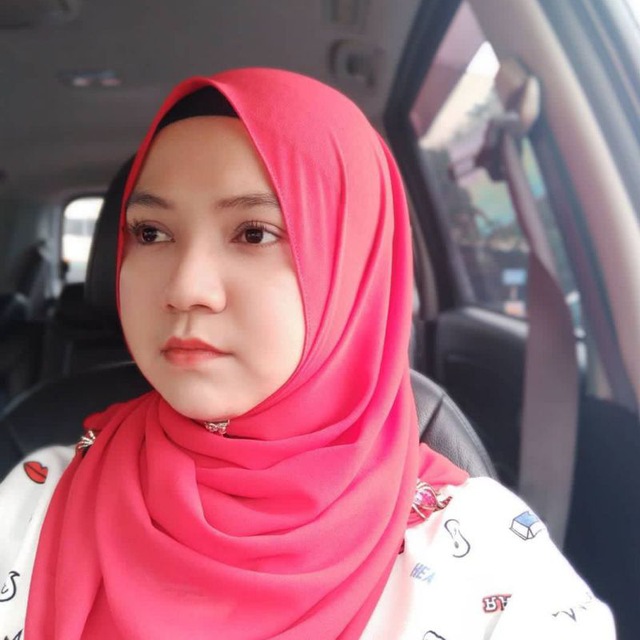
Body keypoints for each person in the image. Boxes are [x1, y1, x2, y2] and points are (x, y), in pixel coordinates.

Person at [0, 68, 615, 639]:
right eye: (151, 233)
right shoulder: (36, 496)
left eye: (254, 233)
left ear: (350, 264)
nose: (185, 287)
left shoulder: (486, 559)